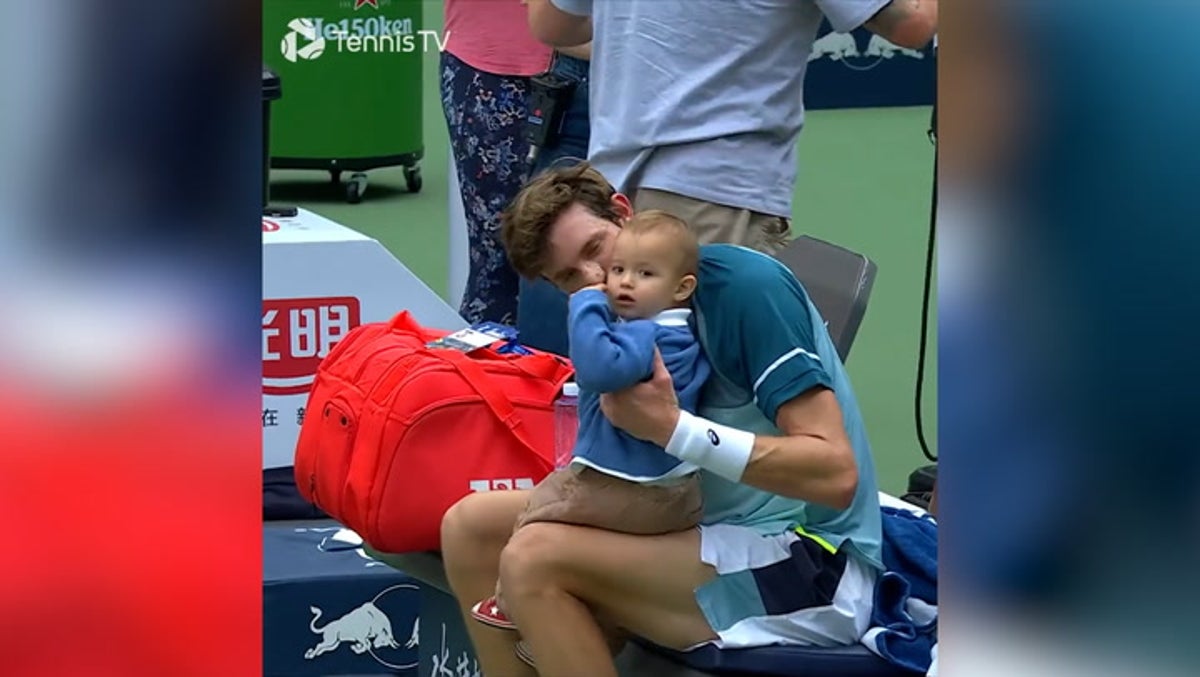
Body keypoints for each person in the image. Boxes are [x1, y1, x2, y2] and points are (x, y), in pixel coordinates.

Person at [439, 163, 884, 676]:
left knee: (534, 559)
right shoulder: (618, 315)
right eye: (567, 277)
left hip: (814, 564)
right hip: (700, 524)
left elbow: (835, 474)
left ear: (625, 216)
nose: (594, 280)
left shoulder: (746, 290)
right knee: (470, 527)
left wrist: (673, 429)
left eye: (593, 249)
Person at [525, 0, 938, 253]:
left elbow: (552, 24)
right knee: (713, 385)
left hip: (615, 184)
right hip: (714, 192)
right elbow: (911, 23)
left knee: (635, 378)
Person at [471, 211, 712, 631]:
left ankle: (511, 605)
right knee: (522, 514)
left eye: (644, 272)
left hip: (639, 490)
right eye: (619, 270)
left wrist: (584, 303)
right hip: (660, 489)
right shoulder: (663, 326)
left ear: (681, 287)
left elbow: (598, 370)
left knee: (542, 511)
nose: (618, 281)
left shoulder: (646, 332)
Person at [440, 0, 591, 326]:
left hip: (596, 70)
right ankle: (486, 371)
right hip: (494, 68)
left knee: (581, 253)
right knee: (501, 259)